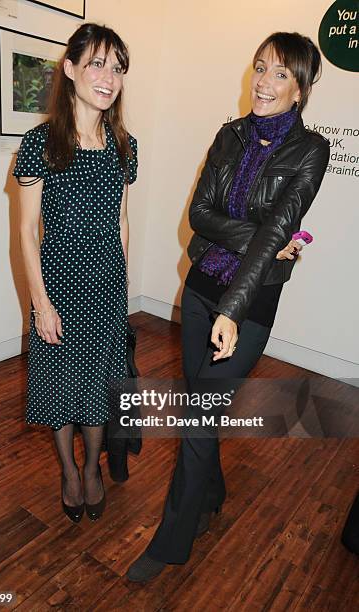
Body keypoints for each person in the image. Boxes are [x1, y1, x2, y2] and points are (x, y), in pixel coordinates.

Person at [127, 31, 330, 581]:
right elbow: (201, 214)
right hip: (199, 290)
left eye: (280, 74)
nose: (263, 81)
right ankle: (211, 490)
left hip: (249, 305)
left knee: (195, 416)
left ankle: (171, 544)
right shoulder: (231, 134)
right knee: (201, 406)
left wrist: (233, 311)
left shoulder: (311, 151)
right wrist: (264, 235)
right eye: (260, 67)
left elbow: (275, 237)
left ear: (301, 89)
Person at [13, 23, 138, 523]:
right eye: (97, 64)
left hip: (105, 287)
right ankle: (69, 472)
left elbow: (122, 220)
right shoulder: (40, 143)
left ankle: (92, 471)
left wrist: (122, 288)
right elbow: (26, 232)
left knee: (97, 388)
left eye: (117, 67)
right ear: (69, 70)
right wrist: (41, 304)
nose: (108, 77)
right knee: (61, 388)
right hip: (58, 288)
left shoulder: (124, 145)